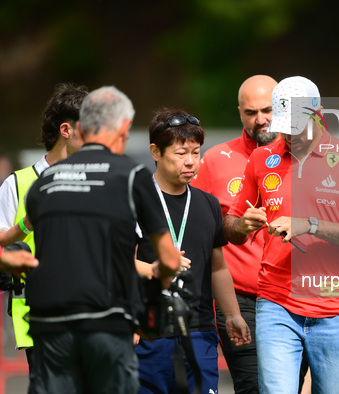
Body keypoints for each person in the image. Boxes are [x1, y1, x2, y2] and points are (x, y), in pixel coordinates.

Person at [223, 76, 339, 393]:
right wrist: (242, 225)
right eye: (284, 125)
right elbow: (231, 226)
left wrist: (309, 224)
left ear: (318, 114)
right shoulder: (260, 158)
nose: (290, 133)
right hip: (275, 305)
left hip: (332, 309)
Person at [24, 86, 181, 393]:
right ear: (123, 127)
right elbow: (169, 259)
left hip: (49, 323)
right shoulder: (133, 176)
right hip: (106, 321)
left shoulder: (44, 182)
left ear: (80, 129)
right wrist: (150, 303)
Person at [135, 108, 251, 394]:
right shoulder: (134, 201)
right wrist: (156, 268)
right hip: (147, 332)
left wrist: (233, 314)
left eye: (196, 153)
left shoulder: (208, 204)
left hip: (199, 331)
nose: (190, 162)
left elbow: (218, 267)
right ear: (155, 152)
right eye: (180, 153)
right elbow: (118, 263)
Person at [190, 74, 278, 393]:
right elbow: (197, 234)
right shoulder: (214, 160)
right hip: (242, 299)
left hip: (295, 297)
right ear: (239, 112)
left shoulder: (305, 157)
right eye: (251, 112)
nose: (261, 119)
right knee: (252, 386)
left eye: (268, 110)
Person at [0, 82, 88, 359]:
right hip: (38, 317)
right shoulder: (17, 183)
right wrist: (26, 224)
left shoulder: (101, 180)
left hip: (93, 314)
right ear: (66, 130)